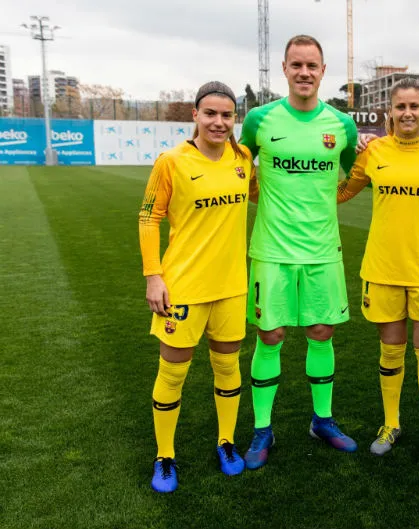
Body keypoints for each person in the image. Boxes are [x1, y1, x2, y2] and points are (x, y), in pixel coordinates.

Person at [239, 35, 359, 470]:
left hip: (323, 250)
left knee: (321, 332)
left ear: (323, 71)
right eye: (297, 65)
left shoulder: (341, 125)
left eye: (312, 65)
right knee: (270, 335)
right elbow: (238, 168)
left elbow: (356, 176)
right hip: (272, 249)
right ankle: (263, 429)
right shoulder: (259, 119)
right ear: (285, 69)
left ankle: (322, 420)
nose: (304, 72)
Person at [337, 78, 419, 467]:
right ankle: (390, 424)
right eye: (400, 106)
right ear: (389, 111)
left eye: (414, 106)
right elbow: (343, 191)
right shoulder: (374, 150)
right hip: (384, 267)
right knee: (390, 351)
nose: (407, 113)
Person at [138, 81, 257, 493]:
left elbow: (263, 192)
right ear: (195, 116)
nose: (218, 122)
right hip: (183, 287)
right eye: (210, 114)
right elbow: (148, 218)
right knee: (173, 373)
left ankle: (226, 442)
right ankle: (164, 455)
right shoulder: (171, 161)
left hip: (231, 285)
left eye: (227, 115)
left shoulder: (243, 159)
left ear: (235, 118)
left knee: (228, 367)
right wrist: (153, 275)